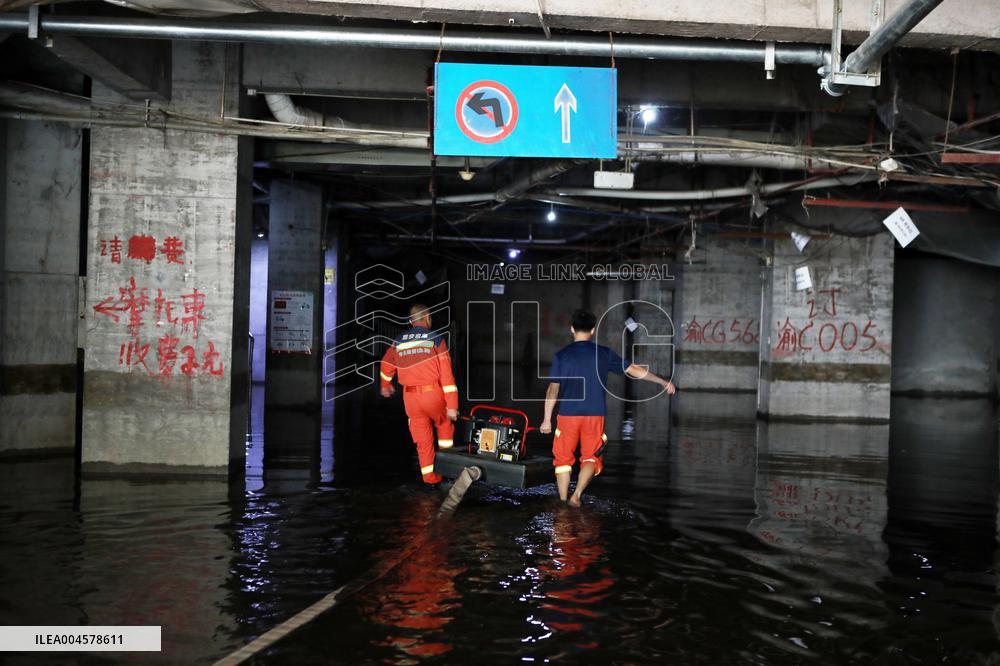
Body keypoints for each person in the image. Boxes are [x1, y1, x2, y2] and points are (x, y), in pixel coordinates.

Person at [539, 308, 676, 507]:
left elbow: (553, 389)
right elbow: (634, 370)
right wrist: (662, 382)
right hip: (595, 415)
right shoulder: (603, 354)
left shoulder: (562, 356)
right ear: (593, 330)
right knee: (591, 458)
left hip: (568, 415)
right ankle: (576, 495)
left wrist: (546, 419)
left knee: (562, 460)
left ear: (572, 329)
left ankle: (562, 502)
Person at [379, 304, 459, 484]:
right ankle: (447, 472)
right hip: (433, 394)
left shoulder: (398, 341)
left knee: (423, 442)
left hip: (411, 399)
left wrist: (386, 384)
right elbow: (447, 377)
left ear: (410, 321)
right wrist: (452, 406)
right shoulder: (436, 340)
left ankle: (430, 480)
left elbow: (385, 364)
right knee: (445, 424)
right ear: (428, 318)